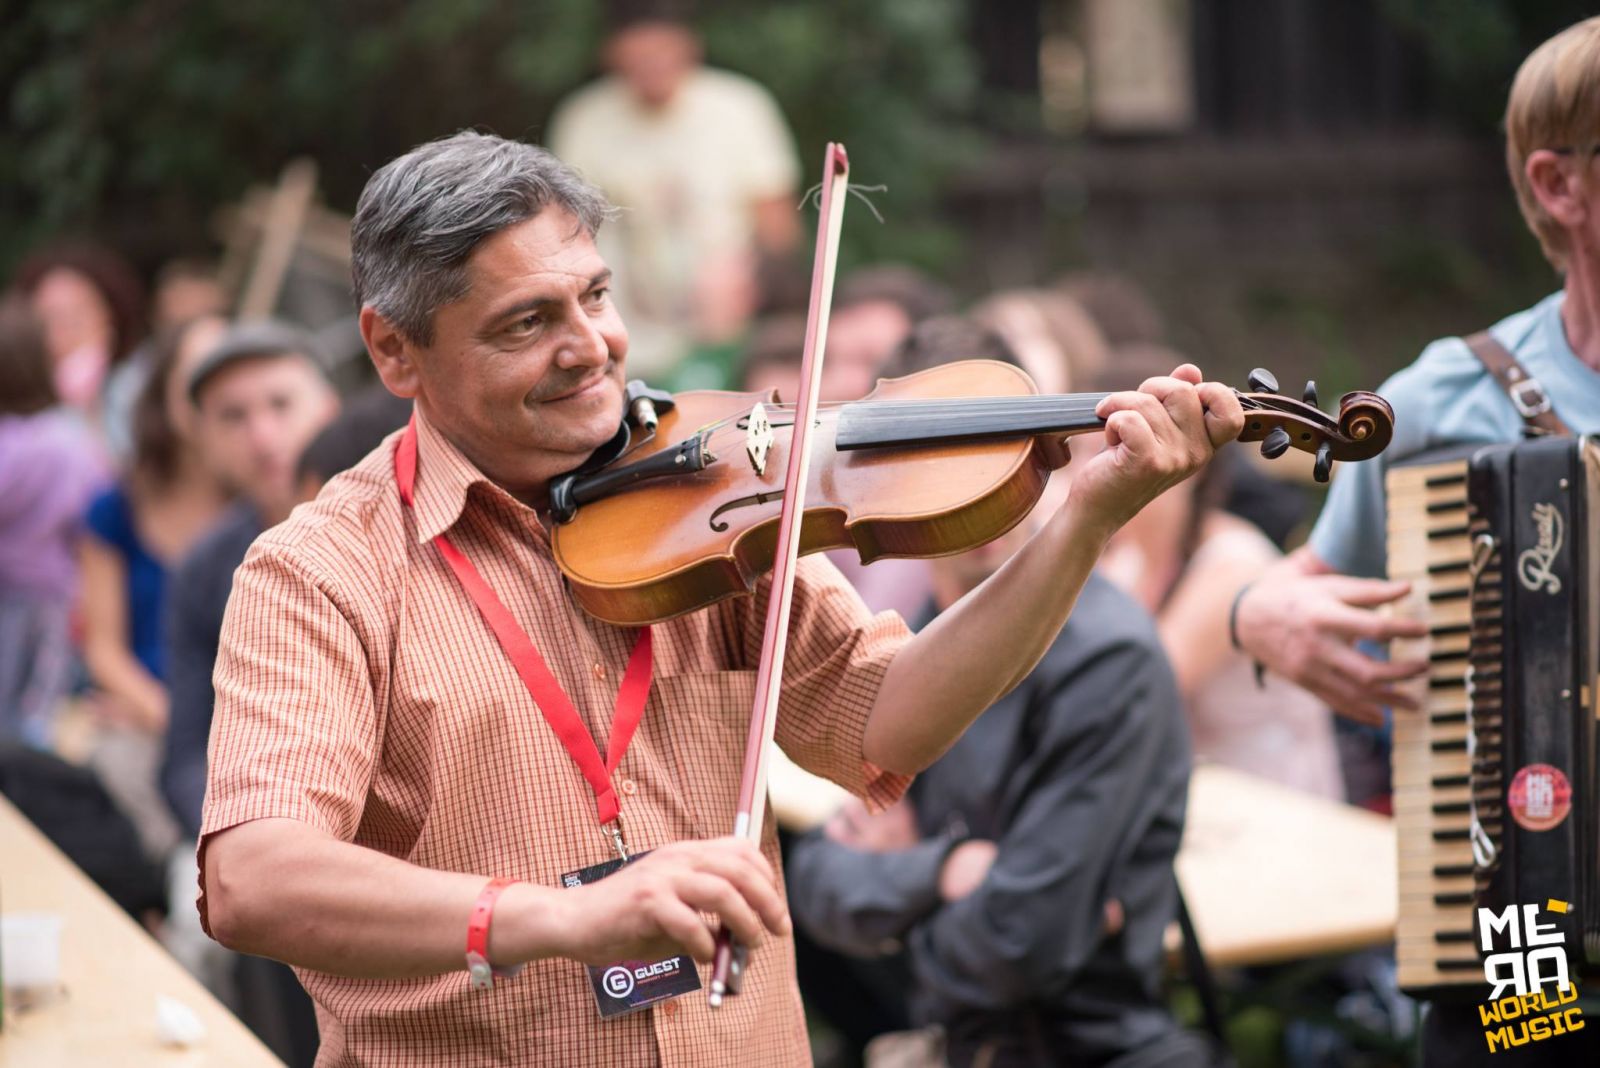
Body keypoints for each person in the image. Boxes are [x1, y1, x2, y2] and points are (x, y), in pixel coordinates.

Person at [195, 130, 1242, 1066]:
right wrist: (561, 920)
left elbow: (889, 716)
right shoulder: (319, 574)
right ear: (393, 349)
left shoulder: (707, 489)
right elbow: (256, 880)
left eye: (595, 298)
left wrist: (1083, 523)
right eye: (526, 323)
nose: (591, 349)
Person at [1228, 17, 1600, 1065]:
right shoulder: (1452, 397)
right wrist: (1258, 613)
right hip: (1533, 921)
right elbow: (1288, 587)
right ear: (1560, 185)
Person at [1094, 348, 1342, 799]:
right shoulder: (1126, 561)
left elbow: (1128, 699)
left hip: (1278, 818)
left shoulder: (1232, 562)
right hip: (1199, 808)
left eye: (1107, 451)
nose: (1083, 474)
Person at [547, 3, 801, 384]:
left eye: (662, 53)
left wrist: (750, 279)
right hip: (624, 335)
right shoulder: (585, 120)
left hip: (725, 333)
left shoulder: (739, 108)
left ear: (689, 47)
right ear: (612, 55)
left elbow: (780, 231)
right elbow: (561, 235)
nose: (652, 67)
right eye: (639, 58)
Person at [160, 320, 340, 841]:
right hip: (260, 826)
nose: (262, 437)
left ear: (327, 407)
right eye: (233, 417)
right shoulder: (202, 569)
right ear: (204, 441)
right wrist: (241, 840)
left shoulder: (401, 522)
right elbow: (188, 753)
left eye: (281, 405)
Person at [79, 314, 230, 860]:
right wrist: (167, 716)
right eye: (196, 381)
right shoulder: (115, 507)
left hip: (237, 734)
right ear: (164, 394)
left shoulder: (261, 511)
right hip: (144, 721)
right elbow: (103, 648)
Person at [0, 296, 109, 744]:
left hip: (21, 598)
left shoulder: (18, 441)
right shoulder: (69, 441)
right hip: (54, 599)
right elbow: (96, 514)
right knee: (34, 717)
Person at [13, 241, 151, 458]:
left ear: (110, 320)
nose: (64, 330)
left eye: (76, 316)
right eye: (51, 317)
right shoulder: (14, 406)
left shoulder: (139, 387)